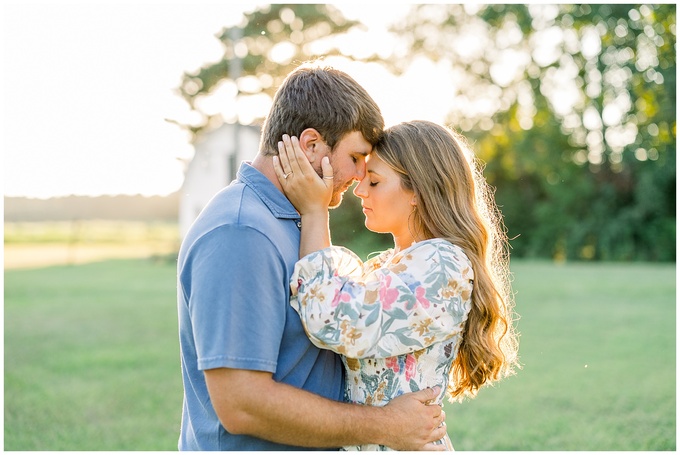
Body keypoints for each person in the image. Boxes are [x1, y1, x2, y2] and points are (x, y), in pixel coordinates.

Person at [176, 65, 448, 451]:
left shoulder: (296, 218)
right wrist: (385, 425)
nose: (359, 175)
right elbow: (241, 404)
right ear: (311, 145)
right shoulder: (242, 231)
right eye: (356, 157)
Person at [273, 120, 520, 450]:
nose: (360, 190)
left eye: (374, 181)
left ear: (417, 190)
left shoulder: (441, 266)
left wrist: (315, 212)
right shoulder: (390, 265)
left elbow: (330, 317)